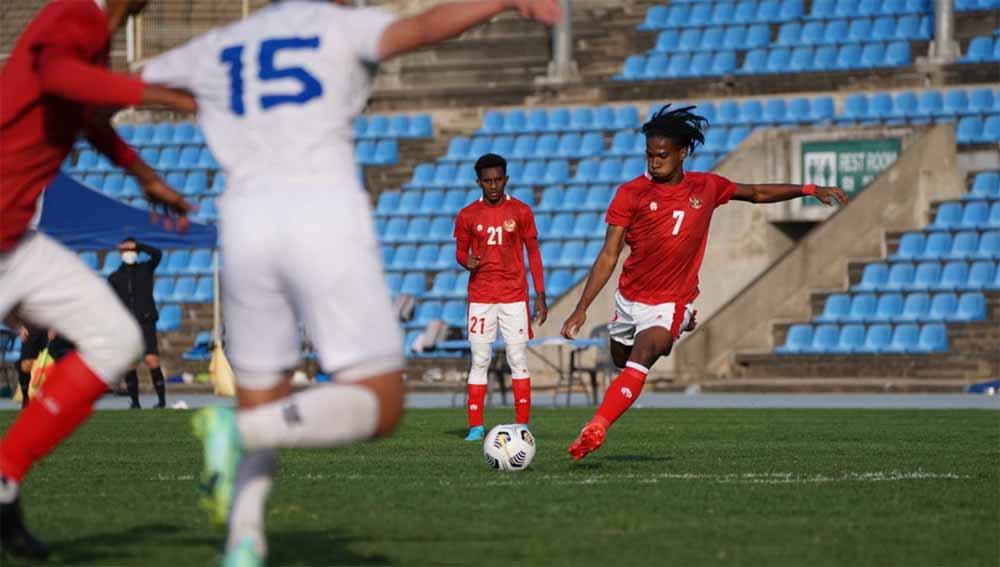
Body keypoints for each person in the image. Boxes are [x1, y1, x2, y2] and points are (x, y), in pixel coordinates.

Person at [139, 0, 561, 564]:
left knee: (263, 397)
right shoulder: (336, 26)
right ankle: (243, 433)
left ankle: (244, 540)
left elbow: (118, 87)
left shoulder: (223, 43)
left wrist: (159, 152)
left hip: (243, 224)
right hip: (323, 216)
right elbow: (422, 27)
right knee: (380, 403)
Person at [0, 0, 195, 559]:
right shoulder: (76, 14)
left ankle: (5, 478)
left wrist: (143, 175)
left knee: (115, 339)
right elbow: (57, 75)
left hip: (15, 243)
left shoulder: (96, 37)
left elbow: (85, 114)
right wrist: (158, 94)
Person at [560, 105, 848, 461]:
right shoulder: (631, 193)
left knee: (643, 354)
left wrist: (808, 188)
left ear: (682, 153)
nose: (654, 162)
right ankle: (677, 326)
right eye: (649, 155)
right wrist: (582, 308)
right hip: (630, 299)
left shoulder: (706, 186)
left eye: (662, 155)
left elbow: (757, 192)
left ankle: (597, 426)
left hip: (670, 300)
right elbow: (608, 254)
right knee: (622, 358)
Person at [454, 153, 546, 441]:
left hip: (514, 296)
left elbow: (533, 253)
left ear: (506, 179)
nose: (493, 186)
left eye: (498, 180)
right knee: (480, 359)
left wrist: (540, 294)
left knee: (517, 358)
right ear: (478, 182)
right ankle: (475, 427)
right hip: (481, 297)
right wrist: (465, 260)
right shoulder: (467, 215)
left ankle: (522, 425)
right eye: (487, 181)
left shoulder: (521, 211)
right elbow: (460, 251)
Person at [108, 237, 166, 408]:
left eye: (132, 251)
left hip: (146, 321)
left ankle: (161, 401)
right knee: (131, 363)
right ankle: (135, 402)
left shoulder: (145, 269)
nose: (129, 254)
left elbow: (157, 254)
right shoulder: (114, 277)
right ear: (120, 253)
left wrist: (139, 245)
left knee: (151, 360)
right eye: (126, 250)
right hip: (126, 325)